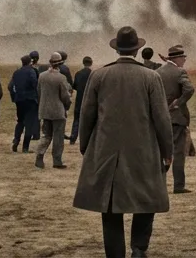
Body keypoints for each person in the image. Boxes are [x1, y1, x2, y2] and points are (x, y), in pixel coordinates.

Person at [74, 26, 176, 258]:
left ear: (116, 49)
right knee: (147, 200)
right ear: (138, 50)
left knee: (109, 207)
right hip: (144, 152)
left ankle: (115, 254)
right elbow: (162, 119)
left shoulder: (98, 75)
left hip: (107, 152)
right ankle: (139, 248)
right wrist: (167, 151)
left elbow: (86, 115)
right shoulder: (152, 77)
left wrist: (86, 147)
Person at [159, 44, 196, 194]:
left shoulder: (157, 72)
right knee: (178, 153)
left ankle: (158, 183)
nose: (185, 60)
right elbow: (190, 89)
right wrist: (178, 102)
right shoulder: (180, 72)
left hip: (161, 117)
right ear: (178, 58)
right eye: (183, 58)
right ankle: (178, 185)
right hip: (177, 118)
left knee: (162, 152)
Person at [36, 53, 73, 169]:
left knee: (46, 135)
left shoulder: (41, 76)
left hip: (44, 110)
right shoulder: (61, 78)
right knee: (58, 136)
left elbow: (39, 92)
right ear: (60, 64)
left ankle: (39, 156)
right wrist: (67, 105)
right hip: (58, 111)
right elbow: (65, 96)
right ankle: (57, 161)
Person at [10, 55, 40, 153]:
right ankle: (25, 147)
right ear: (30, 62)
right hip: (30, 100)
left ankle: (16, 140)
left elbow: (11, 86)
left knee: (20, 121)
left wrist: (14, 97)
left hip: (19, 100)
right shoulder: (31, 71)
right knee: (29, 124)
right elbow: (35, 85)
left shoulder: (16, 72)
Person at [68, 56, 93, 145]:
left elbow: (75, 86)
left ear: (83, 63)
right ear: (91, 63)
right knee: (89, 120)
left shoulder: (78, 73)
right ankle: (88, 139)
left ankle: (73, 138)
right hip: (90, 99)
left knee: (77, 120)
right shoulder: (93, 74)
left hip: (79, 99)